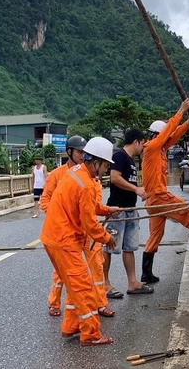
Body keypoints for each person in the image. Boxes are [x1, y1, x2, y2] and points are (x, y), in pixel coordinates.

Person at [40, 137, 121, 347]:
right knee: (84, 287)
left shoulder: (76, 173)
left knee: (74, 286)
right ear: (95, 161)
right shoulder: (85, 183)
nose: (105, 170)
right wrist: (107, 238)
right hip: (64, 240)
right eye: (105, 165)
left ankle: (71, 326)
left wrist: (106, 210)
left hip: (55, 238)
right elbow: (89, 222)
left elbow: (87, 206)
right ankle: (91, 334)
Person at [141, 99, 189, 284]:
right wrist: (181, 110)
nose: (166, 139)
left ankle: (146, 273)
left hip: (154, 201)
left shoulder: (160, 149)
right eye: (163, 136)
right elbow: (169, 131)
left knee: (156, 235)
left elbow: (173, 135)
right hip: (158, 197)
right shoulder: (151, 147)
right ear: (157, 135)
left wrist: (188, 122)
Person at [38, 136, 92, 318]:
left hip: (83, 229)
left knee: (90, 268)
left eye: (85, 152)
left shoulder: (88, 173)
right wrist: (57, 218)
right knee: (62, 271)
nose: (82, 155)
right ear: (69, 152)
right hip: (63, 232)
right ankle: (54, 302)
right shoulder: (56, 175)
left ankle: (95, 304)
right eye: (79, 152)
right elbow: (45, 199)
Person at [103, 129, 152, 297]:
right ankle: (104, 284)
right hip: (117, 211)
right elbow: (115, 177)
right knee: (109, 246)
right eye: (142, 144)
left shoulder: (131, 160)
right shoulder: (120, 156)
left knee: (129, 248)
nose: (143, 148)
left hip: (130, 210)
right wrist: (136, 189)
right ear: (136, 141)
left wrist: (134, 205)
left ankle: (133, 283)